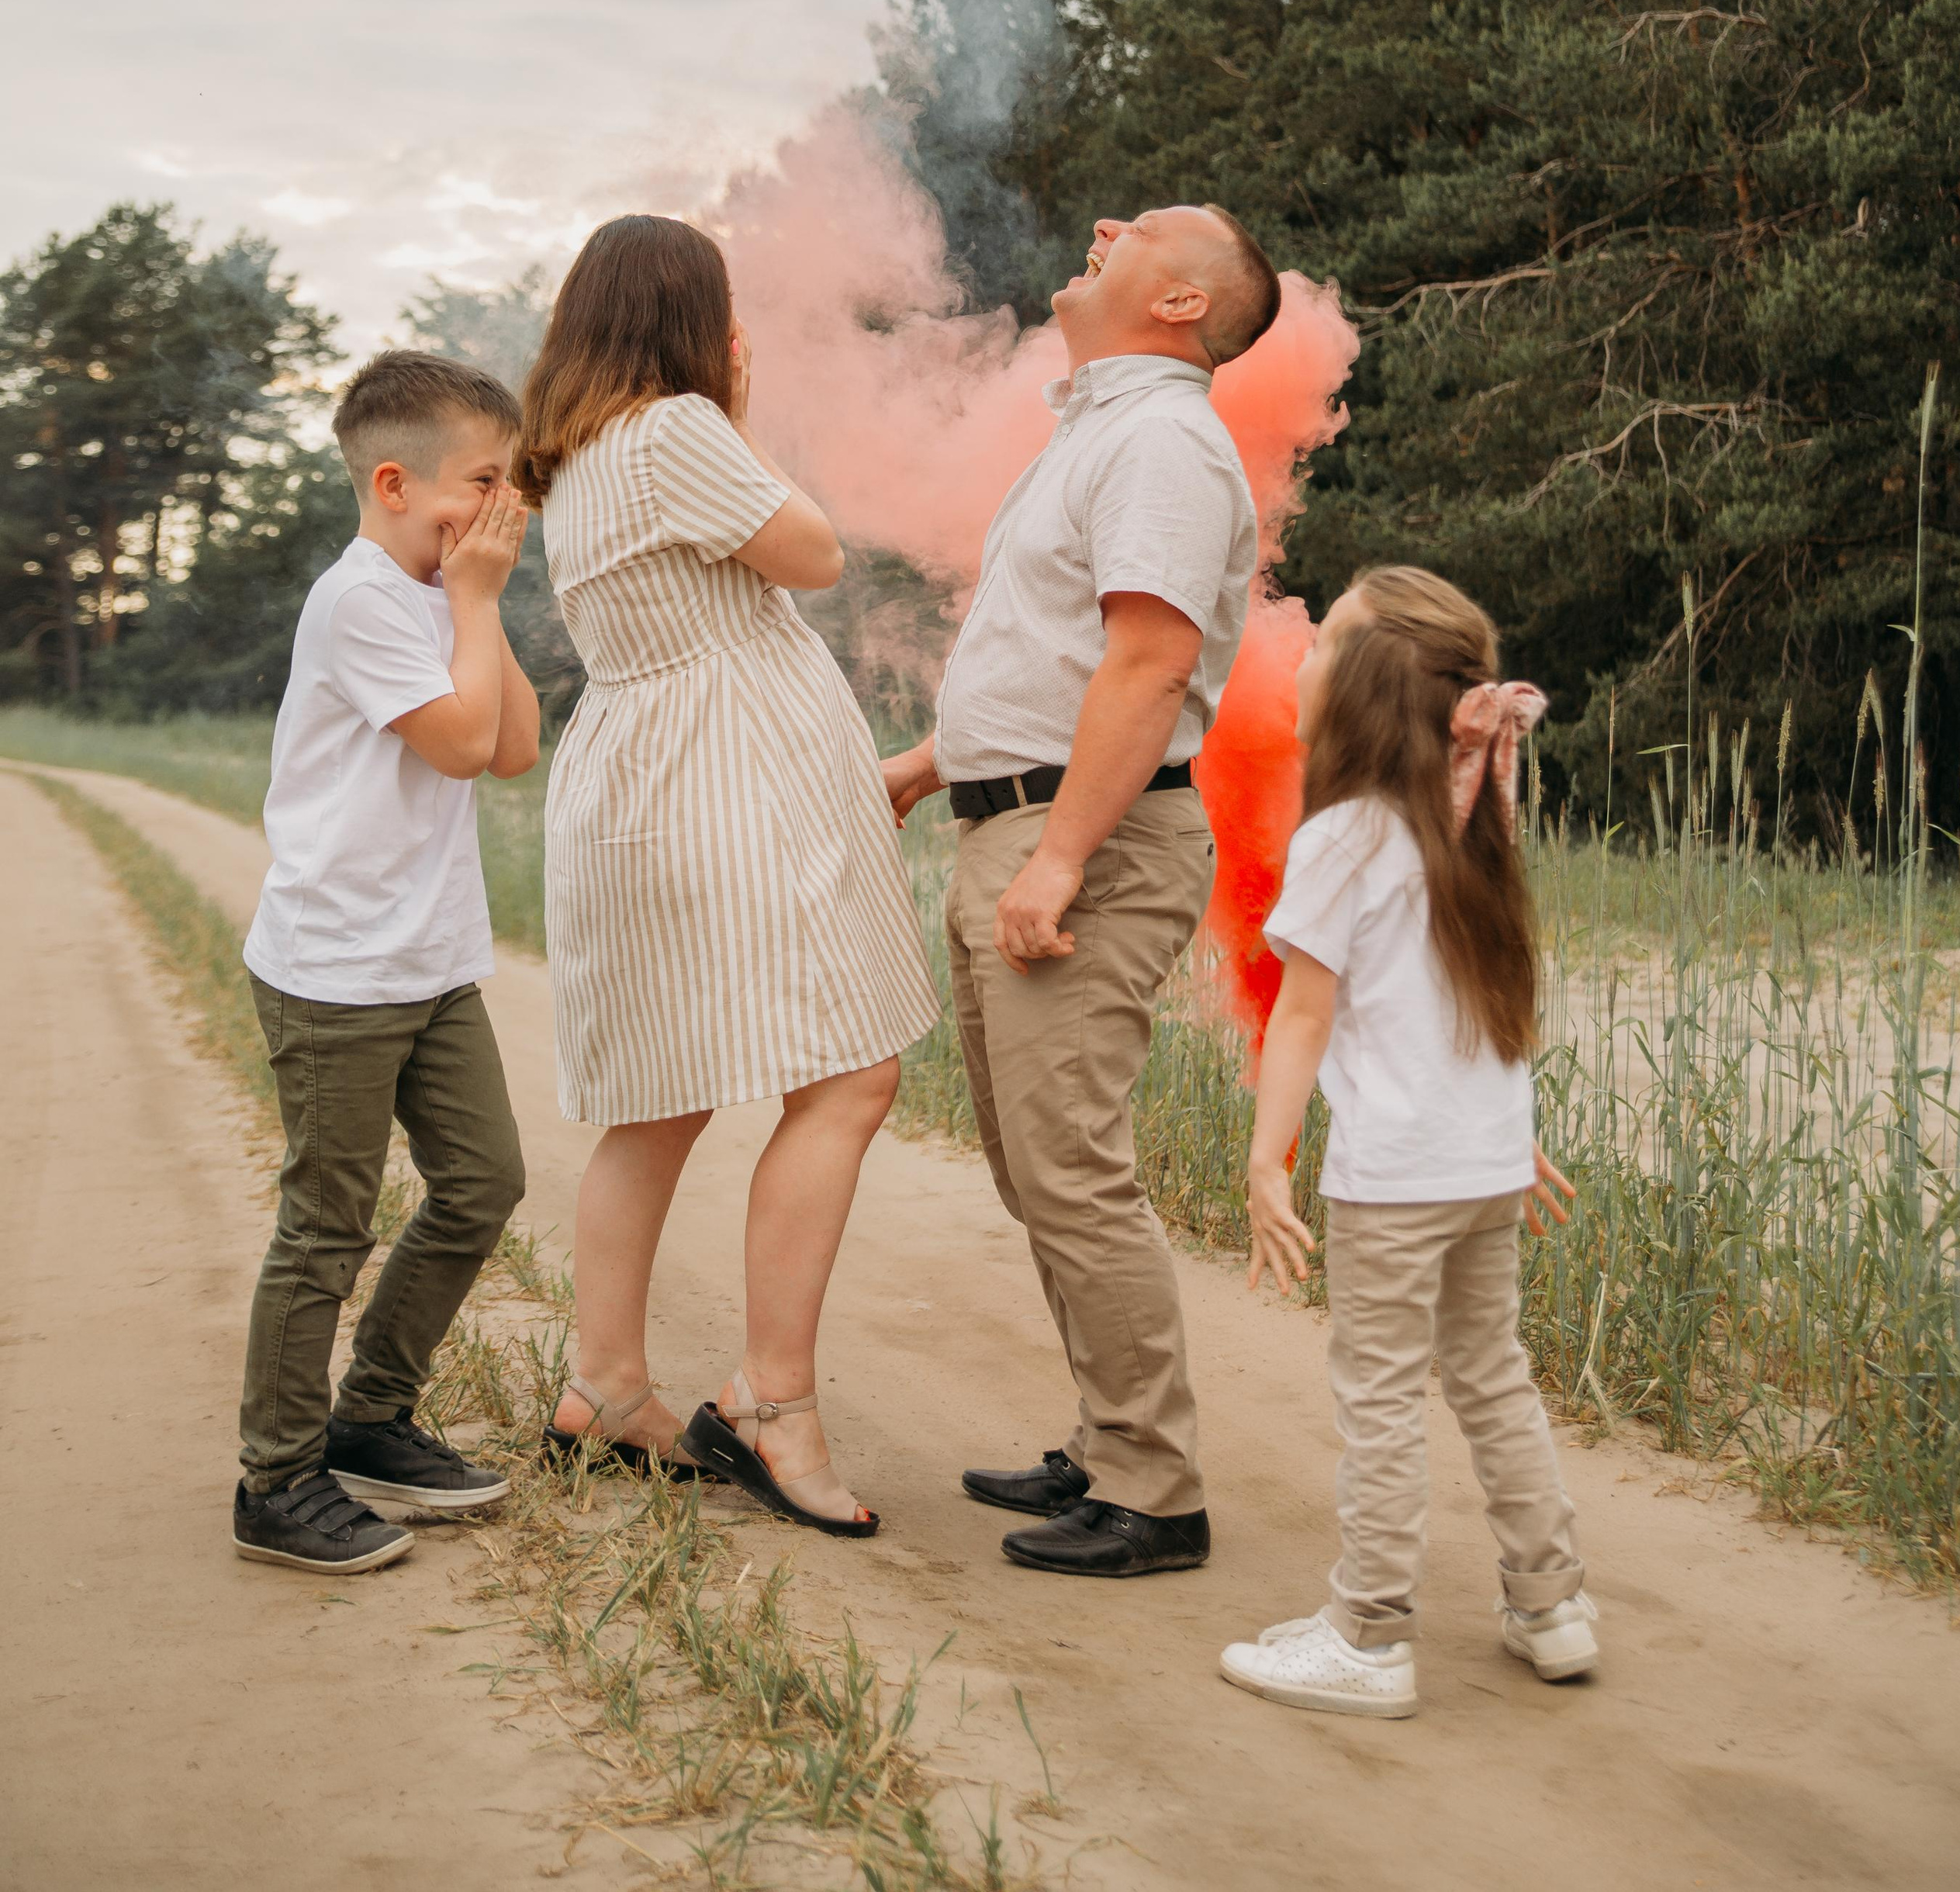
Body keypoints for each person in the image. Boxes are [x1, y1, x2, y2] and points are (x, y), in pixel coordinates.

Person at [515, 215, 938, 1537]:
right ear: (688, 319)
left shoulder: (576, 454)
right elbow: (815, 553)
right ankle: (771, 1401)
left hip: (634, 777)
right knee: (849, 1073)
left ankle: (604, 1385)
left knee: (657, 1097)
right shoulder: (678, 429)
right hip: (726, 782)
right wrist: (736, 414)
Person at [882, 205, 1280, 1579]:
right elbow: (1052, 659)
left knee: (1071, 1166)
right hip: (1029, 819)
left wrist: (1059, 859)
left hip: (1087, 840)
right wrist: (929, 765)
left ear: (1182, 303)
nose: (1107, 226)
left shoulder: (1162, 438)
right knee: (1035, 1166)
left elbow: (1149, 667)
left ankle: (1153, 1490)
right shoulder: (1103, 429)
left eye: (1145, 228)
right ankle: (1108, 1439)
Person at [1221, 565, 1595, 1720]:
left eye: (1325, 642)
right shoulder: (1476, 826)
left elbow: (1305, 1013)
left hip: (1393, 1181)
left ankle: (1370, 1634)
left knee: (1379, 1398)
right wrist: (1508, 1140)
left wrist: (1268, 1158)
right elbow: (1487, 1003)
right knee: (1492, 1375)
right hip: (1481, 1164)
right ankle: (1552, 1604)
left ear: (1370, 689)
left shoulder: (1347, 835)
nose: (1303, 657)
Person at [234, 350, 540, 1577]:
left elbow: (514, 747)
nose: (505, 506)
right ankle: (276, 1477)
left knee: (483, 1181)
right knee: (328, 1223)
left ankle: (369, 1417)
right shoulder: (358, 598)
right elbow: (462, 744)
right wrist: (475, 600)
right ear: (397, 483)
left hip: (429, 957)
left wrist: (481, 598)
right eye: (485, 481)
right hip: (337, 966)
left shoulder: (444, 595)